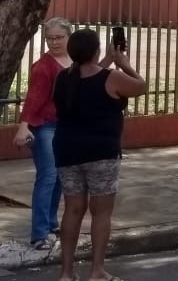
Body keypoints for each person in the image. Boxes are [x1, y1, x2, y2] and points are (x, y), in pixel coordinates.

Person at [54, 28, 146, 281]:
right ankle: (97, 271)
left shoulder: (63, 78)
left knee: (72, 209)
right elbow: (141, 87)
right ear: (96, 51)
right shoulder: (112, 77)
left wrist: (107, 61)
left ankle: (66, 273)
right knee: (101, 211)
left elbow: (87, 77)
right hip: (101, 153)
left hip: (67, 150)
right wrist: (124, 64)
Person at [12, 18, 74, 250]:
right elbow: (34, 98)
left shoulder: (74, 61)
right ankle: (39, 234)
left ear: (69, 36)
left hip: (65, 127)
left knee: (59, 177)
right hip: (45, 126)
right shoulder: (44, 67)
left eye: (59, 37)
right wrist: (23, 126)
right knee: (47, 177)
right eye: (50, 38)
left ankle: (50, 223)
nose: (54, 42)